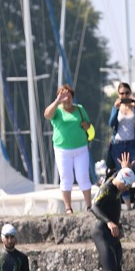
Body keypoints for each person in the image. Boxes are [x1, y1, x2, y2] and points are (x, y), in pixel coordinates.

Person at [90, 167, 135, 271]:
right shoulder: (108, 188)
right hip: (101, 233)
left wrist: (125, 167)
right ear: (123, 182)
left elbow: (118, 174)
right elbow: (94, 207)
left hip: (113, 234)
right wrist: (109, 222)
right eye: (128, 186)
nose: (128, 190)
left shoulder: (116, 183)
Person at [43, 83, 93, 214]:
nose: (67, 98)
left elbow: (88, 125)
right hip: (62, 150)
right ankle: (68, 208)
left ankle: (89, 206)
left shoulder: (80, 109)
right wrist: (57, 101)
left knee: (83, 176)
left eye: (69, 96)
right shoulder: (57, 110)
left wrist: (86, 125)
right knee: (66, 177)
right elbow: (47, 115)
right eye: (64, 96)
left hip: (81, 148)